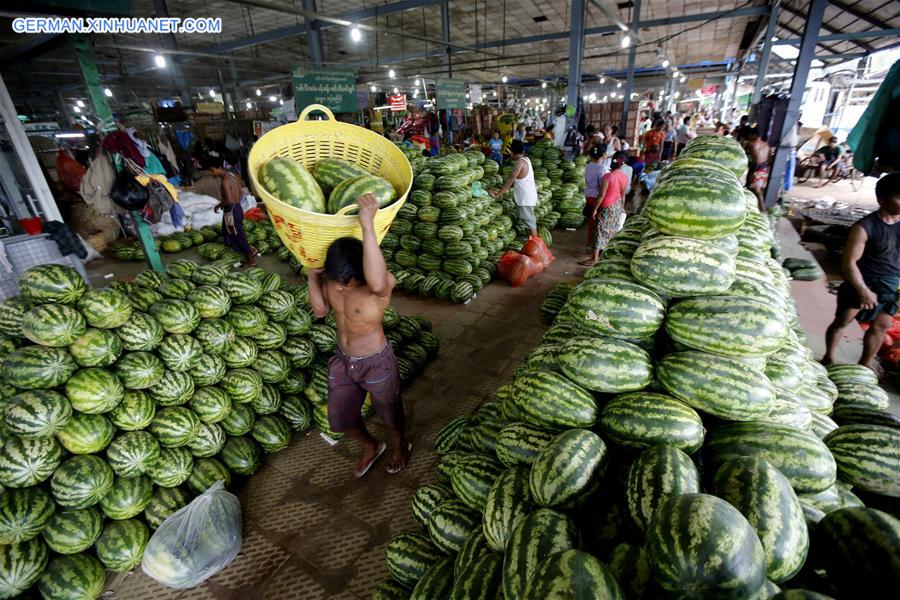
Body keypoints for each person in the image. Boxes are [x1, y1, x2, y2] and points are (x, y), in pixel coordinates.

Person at [307, 194, 411, 477]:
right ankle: (371, 445)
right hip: (344, 360)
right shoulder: (332, 281)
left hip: (376, 360)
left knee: (389, 413)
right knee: (339, 418)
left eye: (348, 283)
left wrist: (367, 224)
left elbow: (378, 279)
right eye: (337, 282)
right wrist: (312, 276)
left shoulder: (379, 287)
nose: (342, 288)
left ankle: (401, 443)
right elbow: (318, 309)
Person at [822, 173, 900, 372]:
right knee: (843, 321)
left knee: (881, 326)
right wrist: (863, 290)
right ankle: (829, 357)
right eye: (898, 197)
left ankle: (865, 365)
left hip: (890, 283)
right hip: (862, 280)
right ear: (882, 199)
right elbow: (849, 263)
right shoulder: (864, 227)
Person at [580, 151, 629, 265]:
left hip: (606, 206)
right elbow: (623, 195)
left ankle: (594, 258)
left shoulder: (608, 176)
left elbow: (601, 195)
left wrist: (595, 209)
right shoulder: (625, 177)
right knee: (610, 229)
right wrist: (622, 207)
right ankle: (606, 253)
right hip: (616, 205)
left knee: (600, 231)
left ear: (613, 161)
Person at [491, 139, 538, 237]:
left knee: (530, 224)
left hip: (526, 199)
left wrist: (497, 194)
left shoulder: (519, 163)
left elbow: (510, 180)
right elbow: (518, 180)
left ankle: (536, 247)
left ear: (512, 152)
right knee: (527, 223)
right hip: (529, 197)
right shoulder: (526, 160)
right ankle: (531, 243)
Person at [214, 170, 257, 267]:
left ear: (218, 168)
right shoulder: (232, 178)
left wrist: (219, 205)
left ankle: (251, 260)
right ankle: (242, 251)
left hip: (231, 210)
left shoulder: (225, 182)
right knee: (227, 231)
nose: (212, 173)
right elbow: (241, 193)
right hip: (237, 208)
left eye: (212, 170)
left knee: (238, 236)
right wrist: (236, 200)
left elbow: (228, 201)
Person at [583, 143, 609, 247]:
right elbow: (603, 185)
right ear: (603, 155)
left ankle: (590, 241)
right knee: (597, 222)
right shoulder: (602, 168)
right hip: (597, 197)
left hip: (588, 195)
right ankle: (594, 243)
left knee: (591, 221)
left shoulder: (588, 166)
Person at [745, 127, 771, 212]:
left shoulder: (751, 143)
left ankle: (763, 211)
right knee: (758, 189)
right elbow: (769, 156)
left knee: (757, 190)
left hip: (756, 168)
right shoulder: (766, 144)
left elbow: (743, 154)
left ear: (754, 135)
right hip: (765, 168)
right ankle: (756, 207)